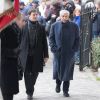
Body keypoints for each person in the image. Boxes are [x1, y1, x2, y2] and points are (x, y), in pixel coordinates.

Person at [19, 8, 49, 99]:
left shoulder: (41, 27)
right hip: (25, 54)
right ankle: (29, 92)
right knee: (27, 74)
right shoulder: (23, 26)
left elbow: (44, 42)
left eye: (36, 14)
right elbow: (18, 40)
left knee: (35, 73)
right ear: (29, 15)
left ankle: (30, 87)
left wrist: (46, 55)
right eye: (33, 14)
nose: (35, 16)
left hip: (37, 54)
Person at [49, 10, 79, 97]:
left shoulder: (74, 26)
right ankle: (58, 84)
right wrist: (54, 48)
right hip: (58, 52)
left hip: (69, 53)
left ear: (68, 16)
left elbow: (77, 38)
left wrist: (74, 49)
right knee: (58, 70)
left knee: (68, 71)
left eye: (66, 16)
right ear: (60, 16)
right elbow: (51, 38)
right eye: (63, 16)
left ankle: (66, 90)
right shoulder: (54, 25)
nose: (65, 18)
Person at [0, 13, 25, 100]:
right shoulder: (5, 29)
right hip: (5, 64)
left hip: (11, 63)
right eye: (22, 21)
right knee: (7, 90)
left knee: (9, 91)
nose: (23, 23)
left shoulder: (14, 28)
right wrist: (14, 52)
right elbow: (2, 49)